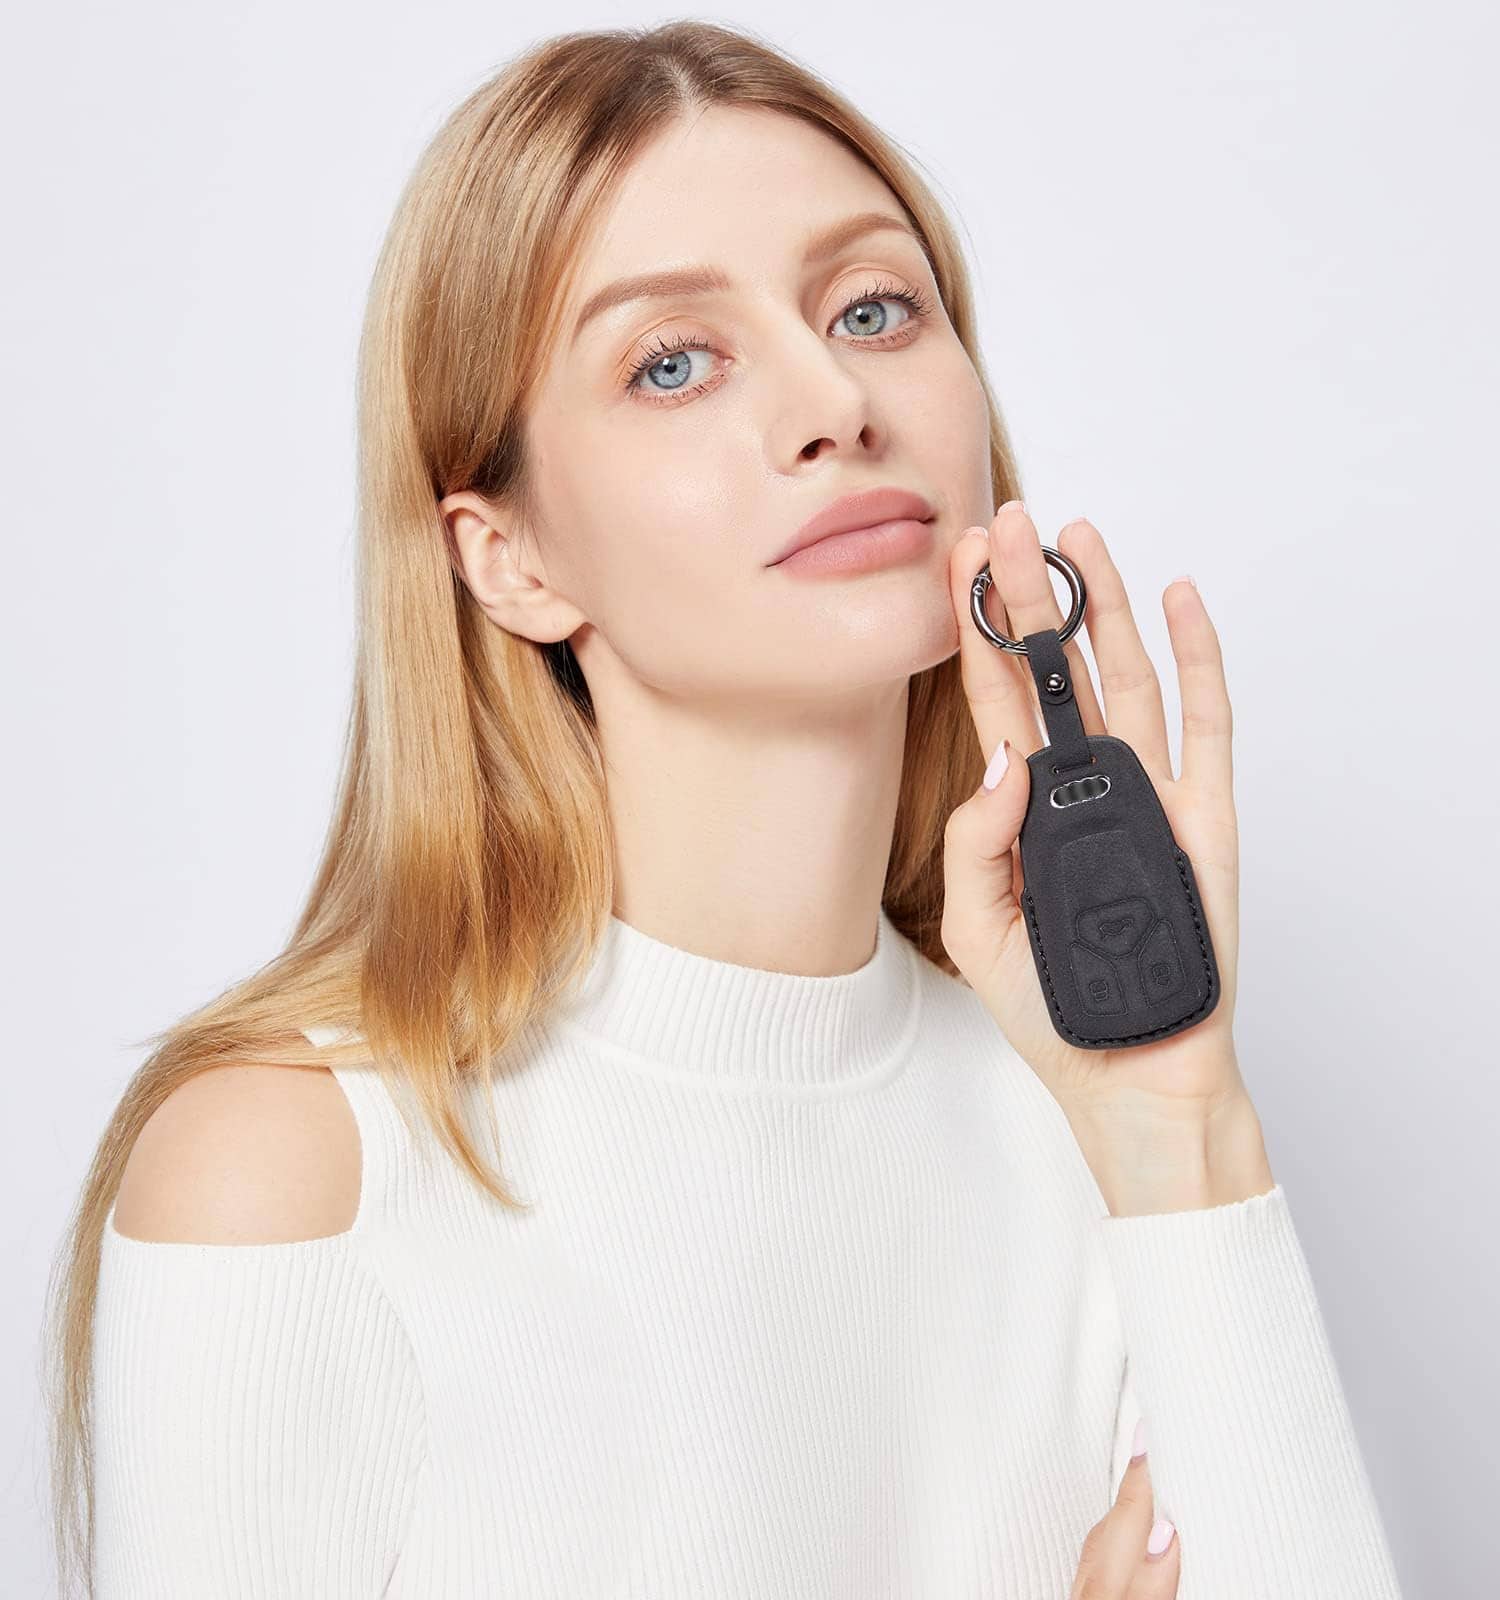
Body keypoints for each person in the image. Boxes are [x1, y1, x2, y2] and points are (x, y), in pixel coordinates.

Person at [44, 20, 1404, 1599]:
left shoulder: (1080, 1113)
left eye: (874, 309)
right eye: (672, 362)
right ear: (508, 560)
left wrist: (1178, 1124)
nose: (835, 400)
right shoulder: (294, 1170)